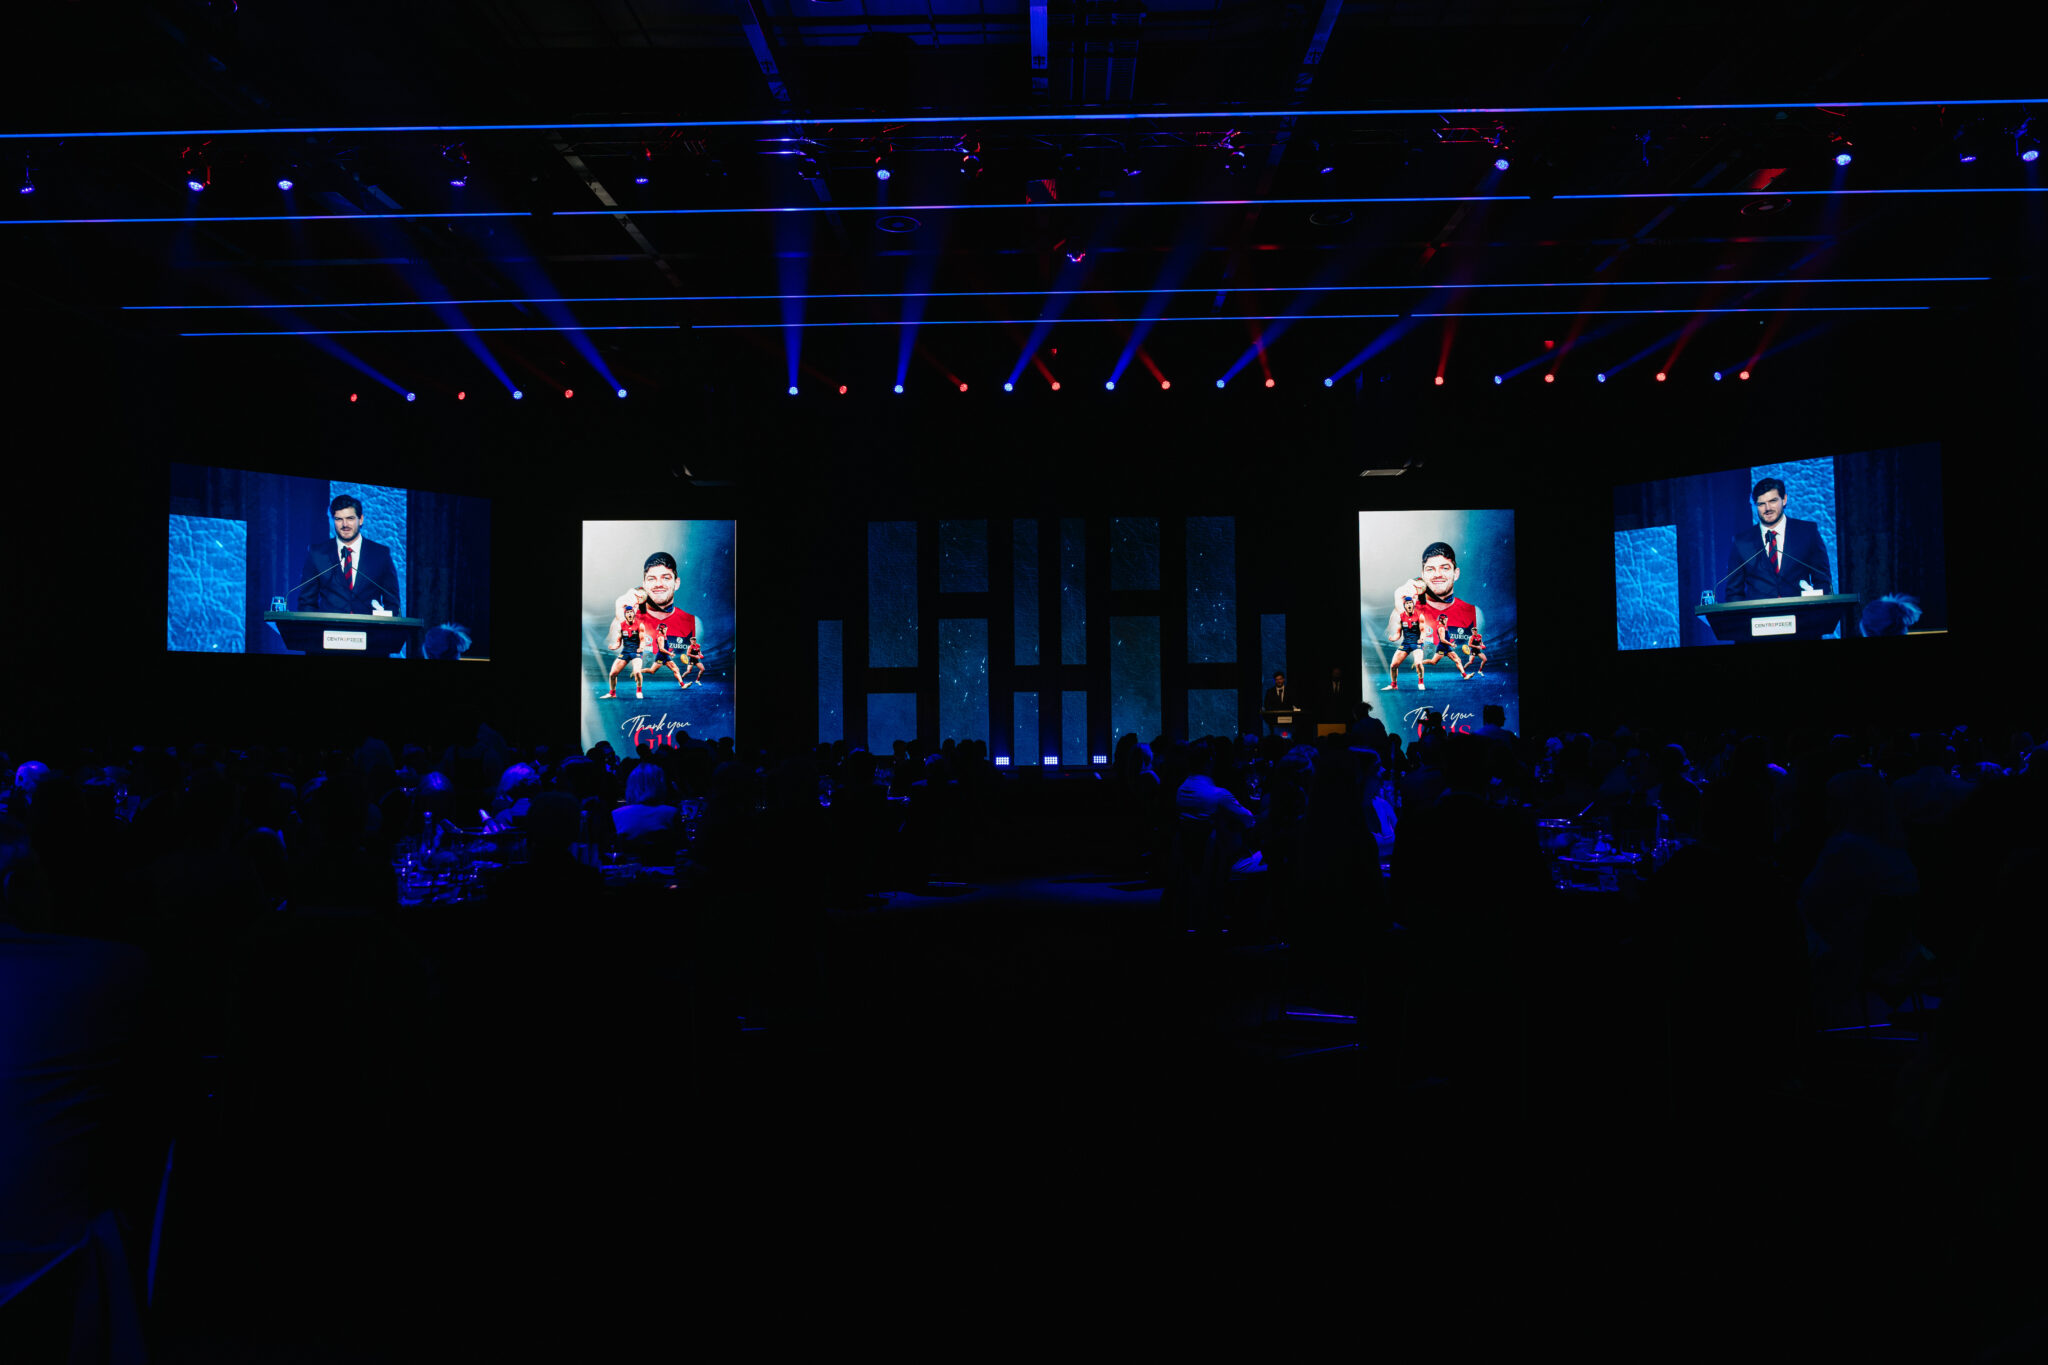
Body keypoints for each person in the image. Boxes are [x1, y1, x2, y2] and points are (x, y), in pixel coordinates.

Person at [603, 553, 704, 701]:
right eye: (652, 579)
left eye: (666, 577)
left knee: (660, 670)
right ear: (644, 584)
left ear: (677, 583)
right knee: (650, 670)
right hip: (633, 707)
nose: (658, 584)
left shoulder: (695, 624)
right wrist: (618, 620)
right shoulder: (626, 618)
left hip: (679, 707)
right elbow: (606, 653)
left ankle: (680, 683)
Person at [1723, 477, 1832, 601]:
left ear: (1784, 499)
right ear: (1755, 506)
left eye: (1773, 501)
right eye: (1761, 504)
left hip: (1801, 614)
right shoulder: (1742, 542)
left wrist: (1818, 612)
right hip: (1759, 616)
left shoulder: (1808, 532)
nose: (1768, 508)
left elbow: (1823, 580)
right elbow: (1734, 592)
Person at [293, 493, 401, 616]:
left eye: (350, 518)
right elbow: (306, 602)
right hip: (329, 631)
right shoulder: (317, 554)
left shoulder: (381, 554)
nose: (345, 525)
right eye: (339, 519)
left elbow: (392, 602)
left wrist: (385, 628)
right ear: (332, 520)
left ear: (360, 519)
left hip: (369, 630)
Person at [1383, 592, 1429, 691]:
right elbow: (1398, 633)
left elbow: (1423, 631)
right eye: (1407, 603)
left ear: (1413, 604)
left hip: (1417, 643)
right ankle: (1394, 685)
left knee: (1418, 663)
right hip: (1406, 643)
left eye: (1410, 603)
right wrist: (1394, 638)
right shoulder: (1401, 617)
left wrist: (1422, 639)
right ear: (1404, 605)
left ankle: (1421, 682)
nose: (1409, 605)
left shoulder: (1419, 616)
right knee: (1393, 665)